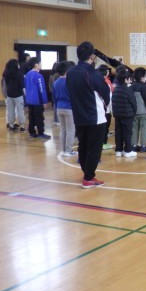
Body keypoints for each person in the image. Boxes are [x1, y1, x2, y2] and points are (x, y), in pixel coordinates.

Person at [66, 41, 111, 189]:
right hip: (95, 116)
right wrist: (105, 105)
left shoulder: (71, 72)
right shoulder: (93, 73)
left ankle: (87, 173)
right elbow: (105, 92)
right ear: (92, 56)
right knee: (94, 148)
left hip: (78, 114)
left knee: (83, 145)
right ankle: (88, 177)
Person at [53, 61, 77, 157]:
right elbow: (73, 96)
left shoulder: (56, 82)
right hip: (69, 108)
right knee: (71, 130)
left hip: (59, 108)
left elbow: (54, 97)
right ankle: (68, 150)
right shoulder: (70, 82)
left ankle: (64, 150)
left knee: (63, 129)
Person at [112, 69, 138, 157]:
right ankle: (127, 150)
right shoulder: (128, 90)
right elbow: (133, 103)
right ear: (126, 79)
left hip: (117, 115)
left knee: (118, 132)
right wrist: (134, 112)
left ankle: (118, 150)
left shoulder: (115, 89)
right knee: (127, 133)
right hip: (127, 115)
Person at [24, 58, 51, 139]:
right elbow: (42, 89)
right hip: (37, 100)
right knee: (39, 117)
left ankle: (32, 132)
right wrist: (45, 101)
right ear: (36, 64)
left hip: (29, 100)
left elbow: (25, 87)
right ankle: (41, 132)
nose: (41, 64)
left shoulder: (27, 74)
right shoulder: (38, 76)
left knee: (31, 116)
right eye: (40, 63)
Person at [131, 67, 146, 153]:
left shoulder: (131, 86)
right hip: (143, 111)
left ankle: (134, 145)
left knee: (134, 129)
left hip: (133, 111)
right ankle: (143, 146)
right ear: (142, 76)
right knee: (144, 129)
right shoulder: (145, 87)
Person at [2, 59, 26, 132]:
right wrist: (25, 94)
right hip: (18, 94)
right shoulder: (19, 74)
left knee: (10, 111)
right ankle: (22, 126)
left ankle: (11, 125)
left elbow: (6, 84)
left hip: (9, 94)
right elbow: (22, 85)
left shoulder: (6, 74)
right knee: (20, 110)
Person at [97, 65, 115, 150]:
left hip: (102, 108)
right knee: (105, 126)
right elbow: (109, 96)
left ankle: (102, 142)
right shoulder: (105, 82)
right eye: (107, 71)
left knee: (103, 126)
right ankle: (103, 142)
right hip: (106, 108)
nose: (109, 72)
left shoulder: (98, 81)